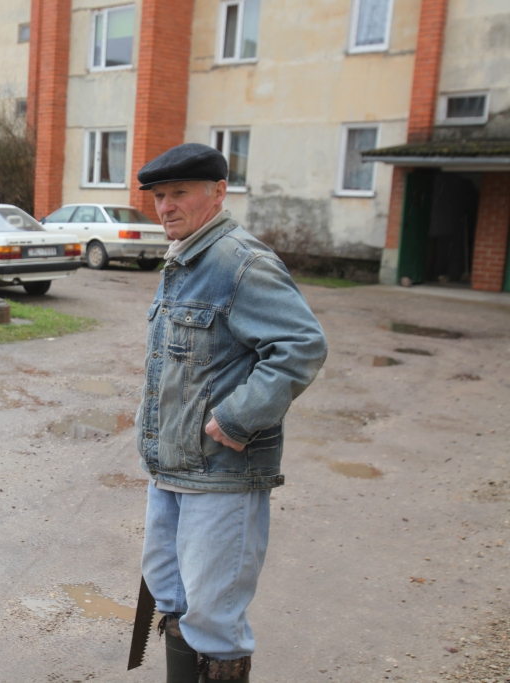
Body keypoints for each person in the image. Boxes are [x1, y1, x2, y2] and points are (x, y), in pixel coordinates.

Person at [134, 143, 327, 682]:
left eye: (179, 193)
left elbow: (301, 346)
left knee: (214, 620)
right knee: (171, 596)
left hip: (221, 473)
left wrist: (238, 418)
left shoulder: (240, 262)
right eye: (159, 196)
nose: (166, 207)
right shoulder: (186, 259)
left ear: (218, 192)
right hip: (172, 470)